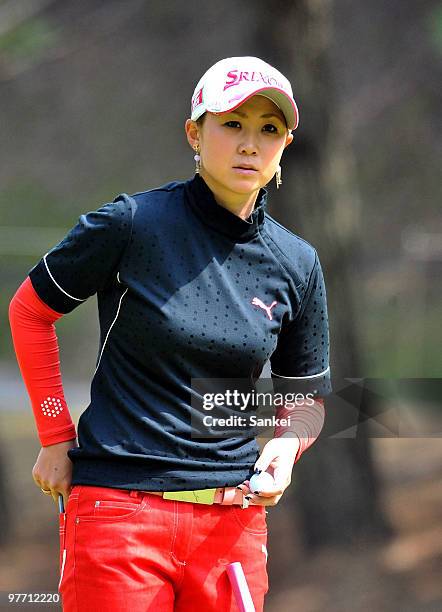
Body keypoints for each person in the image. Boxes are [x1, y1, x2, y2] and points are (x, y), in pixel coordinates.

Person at [9, 56, 332, 611]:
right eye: (232, 123)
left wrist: (284, 445)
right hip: (119, 517)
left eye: (268, 129)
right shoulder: (131, 224)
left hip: (232, 529)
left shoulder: (297, 263)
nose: (250, 143)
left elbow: (307, 397)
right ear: (195, 133)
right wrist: (55, 435)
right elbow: (30, 312)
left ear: (284, 147)